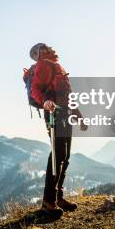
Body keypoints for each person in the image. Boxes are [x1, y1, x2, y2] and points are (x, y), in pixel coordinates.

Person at [29, 43, 86, 214]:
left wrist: (78, 116)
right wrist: (44, 102)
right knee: (58, 155)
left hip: (64, 113)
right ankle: (48, 201)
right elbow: (35, 90)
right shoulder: (43, 65)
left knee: (65, 156)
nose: (43, 51)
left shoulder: (56, 66)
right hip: (54, 113)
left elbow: (67, 95)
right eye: (39, 51)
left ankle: (58, 197)